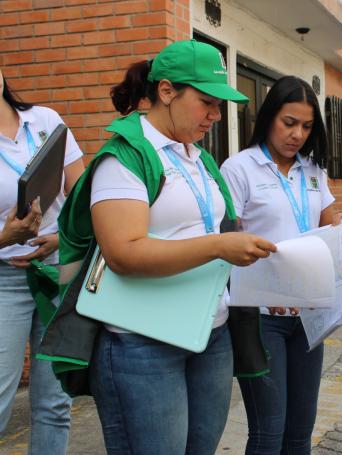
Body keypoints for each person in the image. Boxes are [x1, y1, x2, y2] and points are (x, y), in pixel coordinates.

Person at [39, 40, 277, 455]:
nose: (216, 115)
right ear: (166, 91)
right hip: (142, 342)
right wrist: (219, 245)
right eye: (206, 102)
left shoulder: (196, 157)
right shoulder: (124, 158)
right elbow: (124, 254)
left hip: (209, 333)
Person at [220, 75, 341, 455]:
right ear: (269, 116)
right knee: (269, 431)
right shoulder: (239, 168)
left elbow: (331, 227)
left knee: (300, 430)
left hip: (308, 315)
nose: (298, 135)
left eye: (306, 126)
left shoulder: (313, 170)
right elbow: (228, 242)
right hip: (262, 316)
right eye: (289, 123)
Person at [0, 68, 84, 453]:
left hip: (58, 267)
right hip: (5, 276)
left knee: (54, 401)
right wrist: (5, 238)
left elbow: (79, 192)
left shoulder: (45, 120)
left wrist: (61, 237)